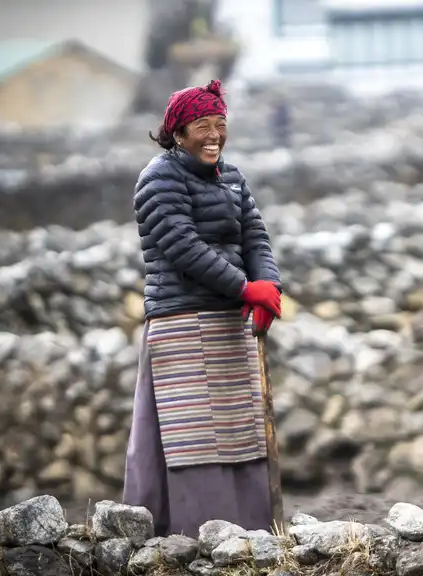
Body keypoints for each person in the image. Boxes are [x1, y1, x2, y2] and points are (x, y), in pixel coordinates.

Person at [123, 79, 282, 535]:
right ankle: (190, 533)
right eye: (202, 126)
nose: (213, 135)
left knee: (240, 431)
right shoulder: (159, 178)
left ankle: (251, 532)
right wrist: (244, 288)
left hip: (228, 322)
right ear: (177, 133)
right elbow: (181, 246)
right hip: (181, 319)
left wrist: (268, 284)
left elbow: (255, 236)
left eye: (220, 124)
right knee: (192, 435)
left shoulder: (231, 177)